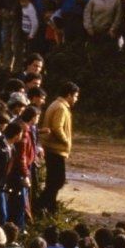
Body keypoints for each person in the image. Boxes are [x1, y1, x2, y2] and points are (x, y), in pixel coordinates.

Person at [39, 82, 78, 215]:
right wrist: (66, 141)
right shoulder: (61, 107)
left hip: (52, 148)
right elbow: (57, 127)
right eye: (75, 96)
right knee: (57, 181)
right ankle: (42, 205)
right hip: (55, 149)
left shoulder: (56, 104)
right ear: (69, 95)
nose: (76, 99)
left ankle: (50, 207)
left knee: (54, 181)